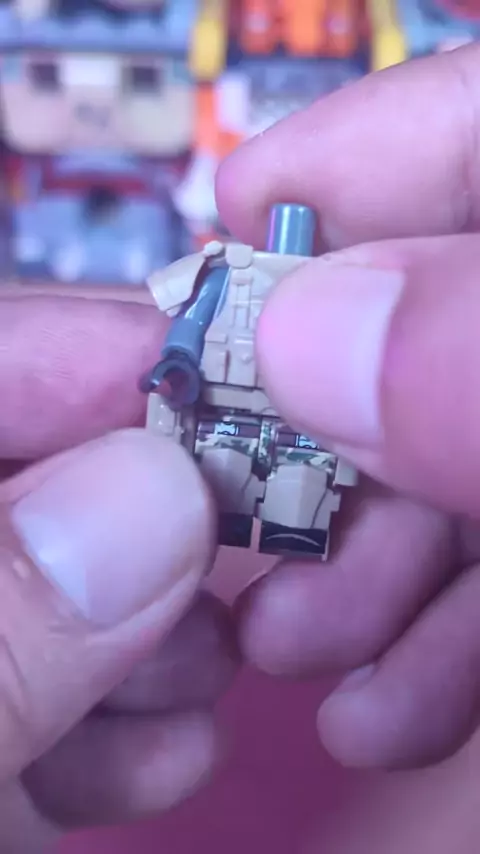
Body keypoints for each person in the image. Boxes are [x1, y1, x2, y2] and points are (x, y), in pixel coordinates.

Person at [0, 41, 479, 847]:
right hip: (215, 407)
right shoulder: (227, 268)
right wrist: (181, 361)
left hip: (303, 423)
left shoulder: (334, 274)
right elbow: (182, 313)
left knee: (293, 504)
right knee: (204, 494)